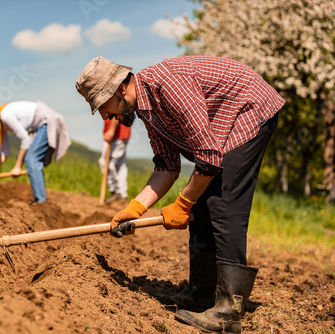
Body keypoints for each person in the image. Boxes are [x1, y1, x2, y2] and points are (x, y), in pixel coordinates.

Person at [75, 56, 284, 333]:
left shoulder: (168, 86)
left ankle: (229, 311)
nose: (105, 116)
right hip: (224, 125)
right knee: (201, 202)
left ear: (119, 89)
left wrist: (183, 202)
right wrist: (135, 208)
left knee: (221, 201)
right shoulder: (149, 111)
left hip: (248, 108)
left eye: (102, 105)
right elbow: (167, 167)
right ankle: (200, 292)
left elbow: (209, 158)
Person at [0, 99, 71, 203]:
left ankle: (41, 202)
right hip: (41, 124)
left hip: (46, 121)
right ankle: (40, 201)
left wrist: (18, 166)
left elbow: (25, 140)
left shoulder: (5, 116)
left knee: (31, 160)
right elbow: (4, 152)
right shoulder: (0, 122)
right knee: (32, 160)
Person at [99, 118, 131, 204]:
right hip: (121, 134)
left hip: (117, 135)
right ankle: (122, 194)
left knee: (106, 163)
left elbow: (115, 111)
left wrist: (111, 130)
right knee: (120, 166)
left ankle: (116, 192)